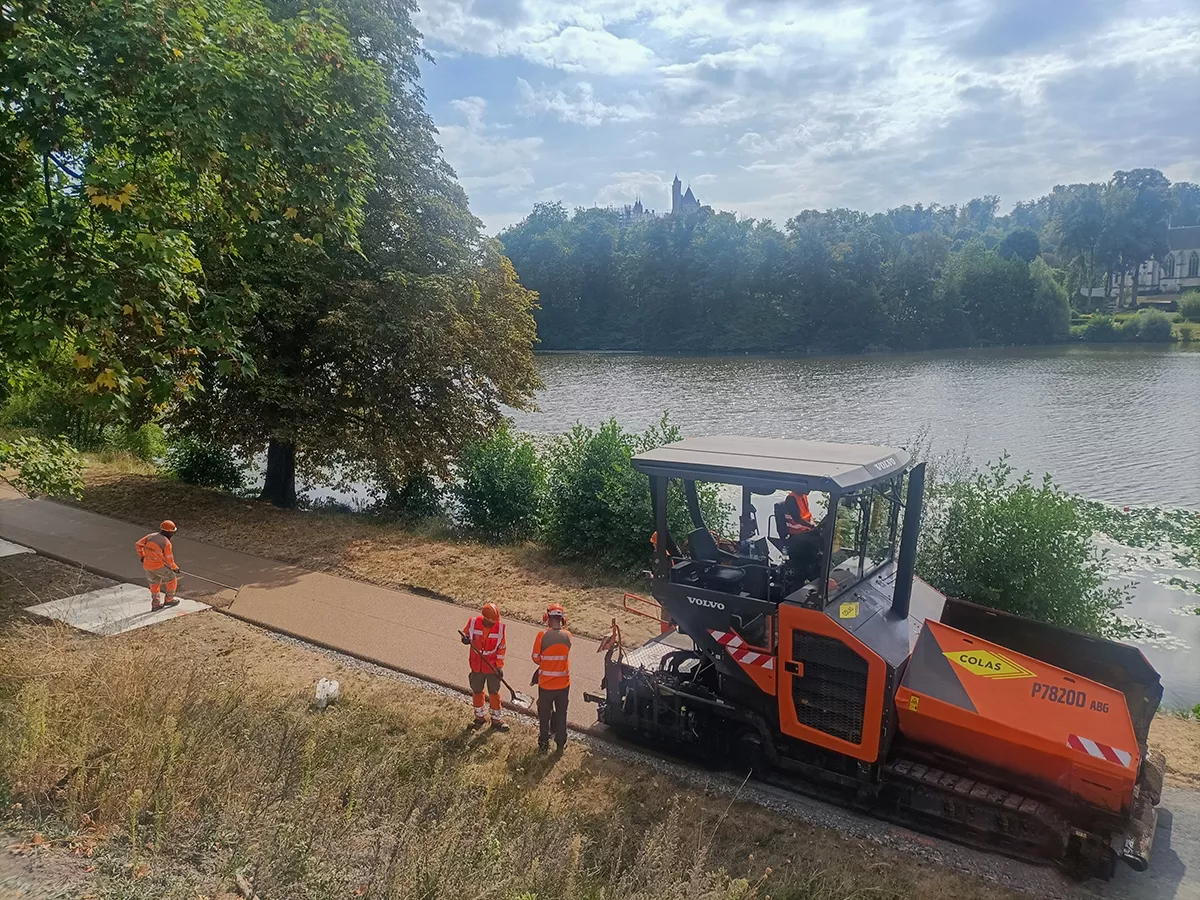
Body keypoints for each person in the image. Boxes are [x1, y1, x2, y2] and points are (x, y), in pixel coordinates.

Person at [461, 602, 508, 731]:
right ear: (484, 618)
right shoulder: (473, 623)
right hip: (476, 666)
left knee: (494, 693)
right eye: (491, 621)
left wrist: (499, 667)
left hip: (492, 668)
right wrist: (465, 639)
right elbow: (466, 634)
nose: (493, 624)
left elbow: (501, 649)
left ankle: (496, 720)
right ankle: (479, 717)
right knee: (477, 692)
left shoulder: (500, 628)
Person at [531, 602, 572, 753]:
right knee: (561, 715)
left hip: (546, 685)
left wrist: (546, 661)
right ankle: (560, 743)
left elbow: (535, 658)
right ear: (563, 619)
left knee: (544, 714)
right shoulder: (568, 635)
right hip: (563, 685)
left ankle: (543, 742)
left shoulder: (542, 635)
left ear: (547, 617)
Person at [136, 520, 181, 611]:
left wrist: (142, 556)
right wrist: (174, 568)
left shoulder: (150, 536)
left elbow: (138, 544)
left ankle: (155, 604)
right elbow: (169, 558)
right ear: (169, 532)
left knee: (154, 584)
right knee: (172, 579)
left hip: (147, 565)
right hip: (158, 566)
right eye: (172, 532)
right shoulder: (166, 543)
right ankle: (169, 599)